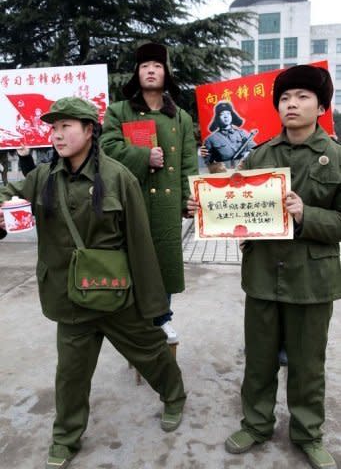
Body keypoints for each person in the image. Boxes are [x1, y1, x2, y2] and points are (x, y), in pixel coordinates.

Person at [0, 97, 186, 469]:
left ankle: (175, 396)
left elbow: (140, 243)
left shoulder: (118, 177)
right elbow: (10, 194)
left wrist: (152, 306)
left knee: (150, 352)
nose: (57, 134)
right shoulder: (43, 177)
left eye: (67, 126)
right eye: (54, 127)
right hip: (69, 298)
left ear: (90, 131)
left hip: (116, 293)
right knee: (70, 374)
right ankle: (66, 437)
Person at [224, 65, 341, 469]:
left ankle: (307, 433)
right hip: (262, 274)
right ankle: (256, 424)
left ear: (322, 106)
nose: (292, 104)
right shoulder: (261, 154)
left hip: (312, 278)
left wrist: (308, 213)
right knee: (258, 360)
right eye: (285, 98)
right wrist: (209, 207)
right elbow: (239, 207)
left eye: (302, 97)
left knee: (308, 365)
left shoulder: (337, 158)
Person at [100, 42, 198, 343]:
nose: (151, 70)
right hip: (132, 199)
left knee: (164, 265)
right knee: (132, 262)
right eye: (145, 66)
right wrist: (144, 157)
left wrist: (188, 199)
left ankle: (162, 318)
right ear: (137, 73)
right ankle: (134, 321)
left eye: (157, 65)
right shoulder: (119, 111)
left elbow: (187, 162)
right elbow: (106, 149)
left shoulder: (179, 117)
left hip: (167, 205)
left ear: (166, 73)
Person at [203, 101, 258, 170]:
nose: (226, 116)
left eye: (228, 113)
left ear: (232, 116)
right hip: (225, 173)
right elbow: (208, 163)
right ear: (217, 118)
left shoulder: (242, 133)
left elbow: (256, 150)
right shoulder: (210, 140)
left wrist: (248, 154)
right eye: (222, 114)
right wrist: (217, 167)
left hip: (246, 169)